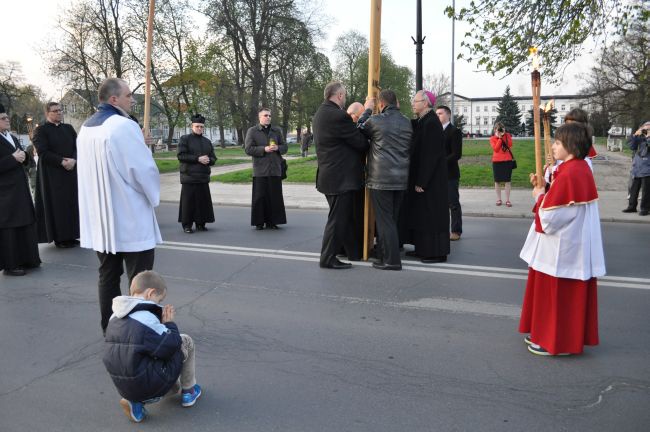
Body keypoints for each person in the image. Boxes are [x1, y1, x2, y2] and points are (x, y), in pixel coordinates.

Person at [77, 78, 162, 333]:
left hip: (102, 219)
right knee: (141, 279)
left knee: (108, 276)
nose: (133, 99)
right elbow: (142, 170)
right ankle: (140, 331)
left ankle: (111, 328)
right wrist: (152, 195)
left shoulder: (86, 128)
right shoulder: (122, 126)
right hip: (129, 216)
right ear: (113, 99)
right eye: (128, 95)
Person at [519, 123, 605, 356]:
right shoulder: (575, 169)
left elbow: (551, 218)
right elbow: (564, 201)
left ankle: (555, 342)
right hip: (569, 245)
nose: (553, 146)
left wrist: (539, 196)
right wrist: (545, 187)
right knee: (557, 298)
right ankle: (546, 334)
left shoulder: (572, 172)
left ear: (571, 145)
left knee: (558, 298)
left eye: (558, 143)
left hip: (564, 248)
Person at [103, 270, 201, 423]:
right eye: (159, 300)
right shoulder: (146, 319)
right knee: (185, 341)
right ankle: (189, 390)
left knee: (139, 357)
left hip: (124, 386)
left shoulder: (114, 316)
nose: (159, 304)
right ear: (150, 293)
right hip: (148, 386)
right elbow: (170, 347)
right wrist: (169, 324)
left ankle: (135, 402)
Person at [312, 82, 373, 269]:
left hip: (329, 176)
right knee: (337, 220)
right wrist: (368, 112)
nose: (344, 98)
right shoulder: (338, 116)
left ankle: (353, 252)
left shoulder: (320, 113)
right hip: (340, 178)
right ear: (339, 95)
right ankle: (328, 258)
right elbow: (360, 142)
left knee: (341, 218)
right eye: (344, 95)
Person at [360, 89, 412, 270]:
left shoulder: (375, 121)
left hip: (381, 178)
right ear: (396, 103)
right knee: (392, 219)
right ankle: (384, 256)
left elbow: (359, 127)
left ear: (381, 104)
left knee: (384, 221)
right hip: (401, 178)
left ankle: (391, 260)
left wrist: (367, 109)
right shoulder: (407, 122)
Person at [400, 90, 450, 263]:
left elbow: (430, 155)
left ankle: (436, 253)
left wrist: (422, 180)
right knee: (422, 215)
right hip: (425, 178)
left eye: (416, 101)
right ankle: (422, 249)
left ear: (426, 103)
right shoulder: (424, 120)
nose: (413, 103)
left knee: (431, 215)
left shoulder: (431, 123)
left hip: (431, 181)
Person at [0, 104, 41, 276]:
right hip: (4, 192)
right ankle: (11, 265)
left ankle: (28, 259)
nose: (7, 119)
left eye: (7, 117)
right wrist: (12, 158)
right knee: (10, 227)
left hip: (20, 187)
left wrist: (24, 157)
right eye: (3, 118)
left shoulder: (11, 136)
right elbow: (11, 158)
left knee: (25, 222)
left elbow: (21, 156)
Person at [32, 102, 80, 248]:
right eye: (55, 111)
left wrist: (74, 159)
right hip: (53, 175)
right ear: (48, 113)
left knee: (72, 203)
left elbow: (77, 146)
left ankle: (72, 234)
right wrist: (61, 161)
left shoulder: (69, 128)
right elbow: (42, 152)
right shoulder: (41, 130)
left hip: (71, 172)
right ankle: (60, 238)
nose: (59, 113)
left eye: (60, 110)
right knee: (58, 206)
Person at [244, 108, 288, 230]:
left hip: (275, 168)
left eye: (269, 115)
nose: (268, 117)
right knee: (260, 197)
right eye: (265, 115)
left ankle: (272, 222)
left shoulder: (276, 130)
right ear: (260, 117)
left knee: (274, 197)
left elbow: (285, 147)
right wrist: (264, 149)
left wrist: (277, 148)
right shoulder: (252, 131)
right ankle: (259, 222)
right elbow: (248, 149)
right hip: (260, 170)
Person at [177, 113, 217, 233]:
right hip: (189, 176)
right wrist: (198, 159)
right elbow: (181, 155)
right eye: (197, 126)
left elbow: (214, 158)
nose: (199, 128)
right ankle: (187, 225)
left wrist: (209, 160)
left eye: (201, 127)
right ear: (192, 126)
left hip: (203, 177)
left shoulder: (207, 141)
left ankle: (201, 223)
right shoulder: (185, 139)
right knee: (188, 203)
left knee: (202, 202)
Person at [436, 105, 463, 241]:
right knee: (440, 204)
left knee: (453, 203)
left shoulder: (454, 131)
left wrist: (441, 162)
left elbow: (456, 154)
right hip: (437, 174)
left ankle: (456, 231)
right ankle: (441, 230)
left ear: (448, 115)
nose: (437, 115)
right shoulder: (435, 131)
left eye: (440, 113)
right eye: (436, 113)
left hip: (450, 174)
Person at [622, 121, 650, 216]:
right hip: (637, 167)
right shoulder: (639, 137)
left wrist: (648, 137)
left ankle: (645, 209)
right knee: (633, 189)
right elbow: (631, 146)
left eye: (648, 127)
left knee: (646, 190)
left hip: (647, 167)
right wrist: (635, 135)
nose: (646, 128)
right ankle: (631, 206)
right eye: (645, 126)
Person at [490, 122, 514, 207]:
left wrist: (504, 136)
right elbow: (496, 149)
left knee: (507, 181)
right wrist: (499, 138)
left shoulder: (507, 135)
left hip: (507, 161)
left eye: (501, 129)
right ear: (495, 130)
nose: (499, 131)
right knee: (497, 181)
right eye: (498, 129)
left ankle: (507, 200)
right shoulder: (492, 138)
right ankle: (499, 199)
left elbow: (510, 145)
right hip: (497, 162)